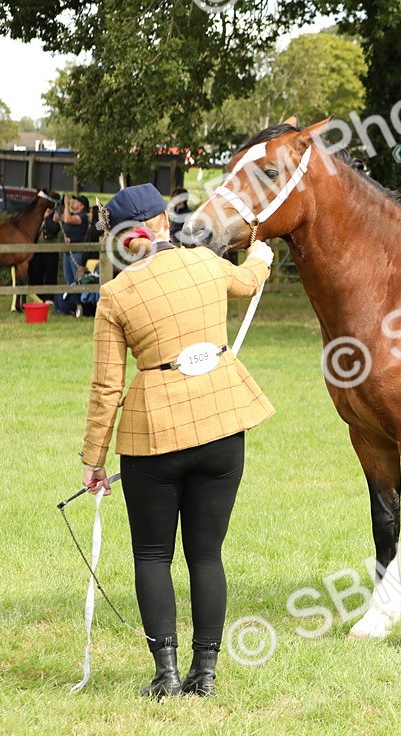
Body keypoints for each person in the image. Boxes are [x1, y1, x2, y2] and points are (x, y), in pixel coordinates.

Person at [80, 184, 276, 698]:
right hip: (220, 424)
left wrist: (92, 460)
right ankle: (205, 675)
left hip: (153, 437)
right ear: (164, 221)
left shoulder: (115, 295)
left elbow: (106, 388)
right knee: (206, 556)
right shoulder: (207, 265)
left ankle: (166, 674)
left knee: (151, 556)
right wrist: (261, 252)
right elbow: (250, 280)